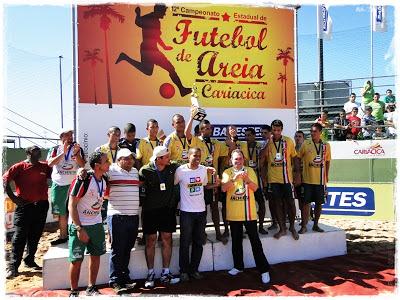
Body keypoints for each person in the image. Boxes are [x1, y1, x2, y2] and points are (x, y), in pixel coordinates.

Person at [115, 4, 191, 97]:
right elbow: (138, 22)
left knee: (149, 71)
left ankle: (125, 57)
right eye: (164, 12)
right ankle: (182, 90)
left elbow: (156, 36)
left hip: (152, 49)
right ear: (158, 11)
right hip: (148, 49)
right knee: (168, 69)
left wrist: (164, 47)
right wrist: (138, 13)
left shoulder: (157, 21)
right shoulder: (149, 18)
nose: (164, 14)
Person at [221, 149, 271, 284]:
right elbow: (224, 188)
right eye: (235, 159)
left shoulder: (250, 170)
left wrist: (246, 179)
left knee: (255, 242)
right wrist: (235, 178)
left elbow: (255, 188)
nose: (238, 161)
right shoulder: (227, 172)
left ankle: (264, 270)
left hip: (249, 213)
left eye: (240, 159)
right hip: (234, 214)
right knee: (236, 241)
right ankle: (238, 266)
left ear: (244, 160)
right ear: (231, 160)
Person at [3, 146, 52, 279]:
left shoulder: (45, 166)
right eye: (35, 150)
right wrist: (13, 198)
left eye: (39, 151)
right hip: (25, 206)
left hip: (41, 206)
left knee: (35, 235)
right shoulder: (19, 166)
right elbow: (5, 180)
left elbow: (58, 175)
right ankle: (13, 266)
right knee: (19, 236)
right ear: (28, 153)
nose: (38, 152)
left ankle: (29, 260)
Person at [67, 151, 110, 297]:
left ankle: (91, 287)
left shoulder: (104, 179)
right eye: (106, 161)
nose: (109, 163)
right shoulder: (83, 180)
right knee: (76, 260)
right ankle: (74, 291)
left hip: (96, 225)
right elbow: (71, 205)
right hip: (80, 225)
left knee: (96, 255)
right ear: (97, 165)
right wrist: (79, 228)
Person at [185, 111, 230, 244]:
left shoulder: (216, 143)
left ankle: (218, 233)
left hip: (214, 182)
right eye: (204, 128)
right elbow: (187, 134)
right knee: (202, 211)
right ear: (200, 130)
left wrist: (220, 178)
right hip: (200, 182)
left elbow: (225, 158)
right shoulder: (195, 141)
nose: (207, 130)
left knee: (215, 208)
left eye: (209, 128)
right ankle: (201, 234)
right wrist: (192, 117)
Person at [139, 146, 180, 288]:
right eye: (167, 156)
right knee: (150, 240)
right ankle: (150, 273)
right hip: (150, 211)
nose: (170, 158)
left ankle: (166, 273)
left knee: (167, 239)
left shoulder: (173, 167)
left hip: (167, 211)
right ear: (159, 159)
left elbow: (190, 167)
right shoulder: (145, 170)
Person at [174, 148, 217, 282]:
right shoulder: (180, 170)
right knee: (185, 242)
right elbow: (174, 185)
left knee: (199, 242)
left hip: (201, 211)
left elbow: (203, 185)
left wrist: (215, 184)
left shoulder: (203, 169)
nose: (197, 158)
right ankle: (184, 271)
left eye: (199, 156)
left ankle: (194, 270)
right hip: (186, 212)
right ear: (188, 156)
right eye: (195, 155)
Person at [107, 149, 141, 294]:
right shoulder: (110, 170)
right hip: (117, 216)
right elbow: (94, 174)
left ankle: (124, 278)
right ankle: (115, 280)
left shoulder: (135, 171)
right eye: (126, 159)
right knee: (117, 250)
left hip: (133, 216)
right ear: (119, 160)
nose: (130, 161)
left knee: (127, 249)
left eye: (131, 158)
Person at [47, 129, 85, 246]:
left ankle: (77, 234)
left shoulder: (77, 148)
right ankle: (63, 236)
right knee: (61, 213)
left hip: (74, 184)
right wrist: (63, 153)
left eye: (72, 135)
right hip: (59, 185)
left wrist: (76, 154)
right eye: (68, 135)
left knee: (76, 210)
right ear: (61, 137)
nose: (71, 138)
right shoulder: (54, 149)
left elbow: (82, 164)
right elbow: (50, 163)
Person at [264, 119, 300, 240]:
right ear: (271, 130)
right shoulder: (267, 142)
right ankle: (282, 229)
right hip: (273, 180)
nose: (276, 132)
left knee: (290, 203)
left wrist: (297, 174)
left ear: (281, 130)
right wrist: (268, 142)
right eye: (274, 130)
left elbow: (294, 157)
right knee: (278, 204)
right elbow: (261, 158)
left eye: (278, 130)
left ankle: (292, 227)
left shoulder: (288, 141)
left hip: (287, 179)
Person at [297, 123, 331, 234]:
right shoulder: (306, 144)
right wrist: (298, 173)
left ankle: (316, 225)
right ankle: (304, 225)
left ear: (320, 133)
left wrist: (326, 176)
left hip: (320, 180)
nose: (312, 133)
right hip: (307, 180)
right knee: (306, 204)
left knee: (319, 203)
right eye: (311, 131)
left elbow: (327, 161)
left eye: (315, 131)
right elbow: (297, 158)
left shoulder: (326, 145)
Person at [136, 119, 165, 245]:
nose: (154, 129)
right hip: (147, 179)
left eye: (156, 127)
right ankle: (145, 234)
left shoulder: (162, 142)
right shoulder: (142, 142)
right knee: (146, 208)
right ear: (147, 129)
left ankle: (159, 234)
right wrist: (141, 176)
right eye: (152, 127)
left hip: (160, 178)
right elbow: (138, 160)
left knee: (160, 207)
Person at [244, 128, 268, 234]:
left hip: (258, 182)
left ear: (254, 135)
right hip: (247, 182)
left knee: (261, 205)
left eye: (249, 135)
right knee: (247, 206)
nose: (247, 137)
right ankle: (249, 228)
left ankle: (261, 226)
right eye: (246, 135)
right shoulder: (243, 146)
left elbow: (265, 160)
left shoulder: (260, 145)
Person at [95, 126, 121, 221]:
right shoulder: (100, 149)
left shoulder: (122, 151)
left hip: (116, 183)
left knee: (114, 212)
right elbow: (95, 167)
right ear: (108, 135)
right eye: (114, 134)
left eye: (118, 135)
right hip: (103, 182)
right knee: (101, 211)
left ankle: (111, 235)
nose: (116, 137)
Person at [259, 125, 278, 230]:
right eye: (262, 133)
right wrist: (264, 180)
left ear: (271, 133)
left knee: (279, 202)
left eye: (265, 133)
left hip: (279, 178)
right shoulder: (264, 144)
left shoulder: (280, 144)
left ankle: (280, 223)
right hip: (268, 178)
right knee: (271, 202)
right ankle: (274, 222)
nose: (263, 135)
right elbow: (261, 161)